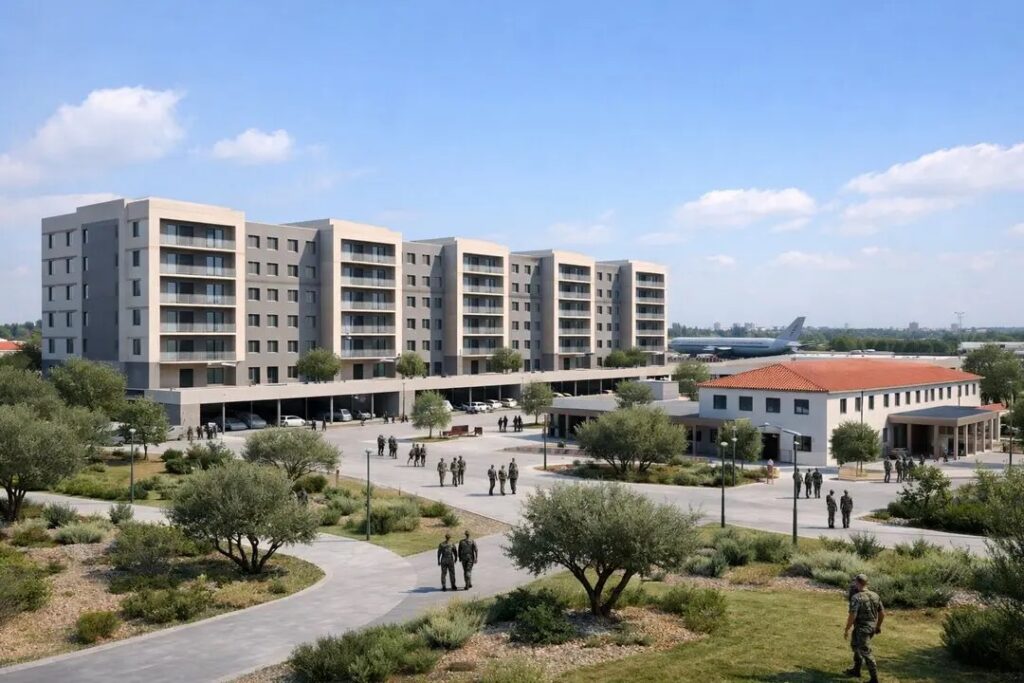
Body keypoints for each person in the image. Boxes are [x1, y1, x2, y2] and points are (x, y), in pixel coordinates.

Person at [844, 573, 884, 683]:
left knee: (866, 652)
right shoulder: (875, 595)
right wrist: (878, 626)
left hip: (862, 629)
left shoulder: (856, 597)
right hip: (870, 627)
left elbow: (853, 615)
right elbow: (882, 613)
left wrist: (847, 629)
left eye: (855, 582)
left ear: (857, 582)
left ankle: (874, 679)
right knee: (855, 646)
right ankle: (856, 670)